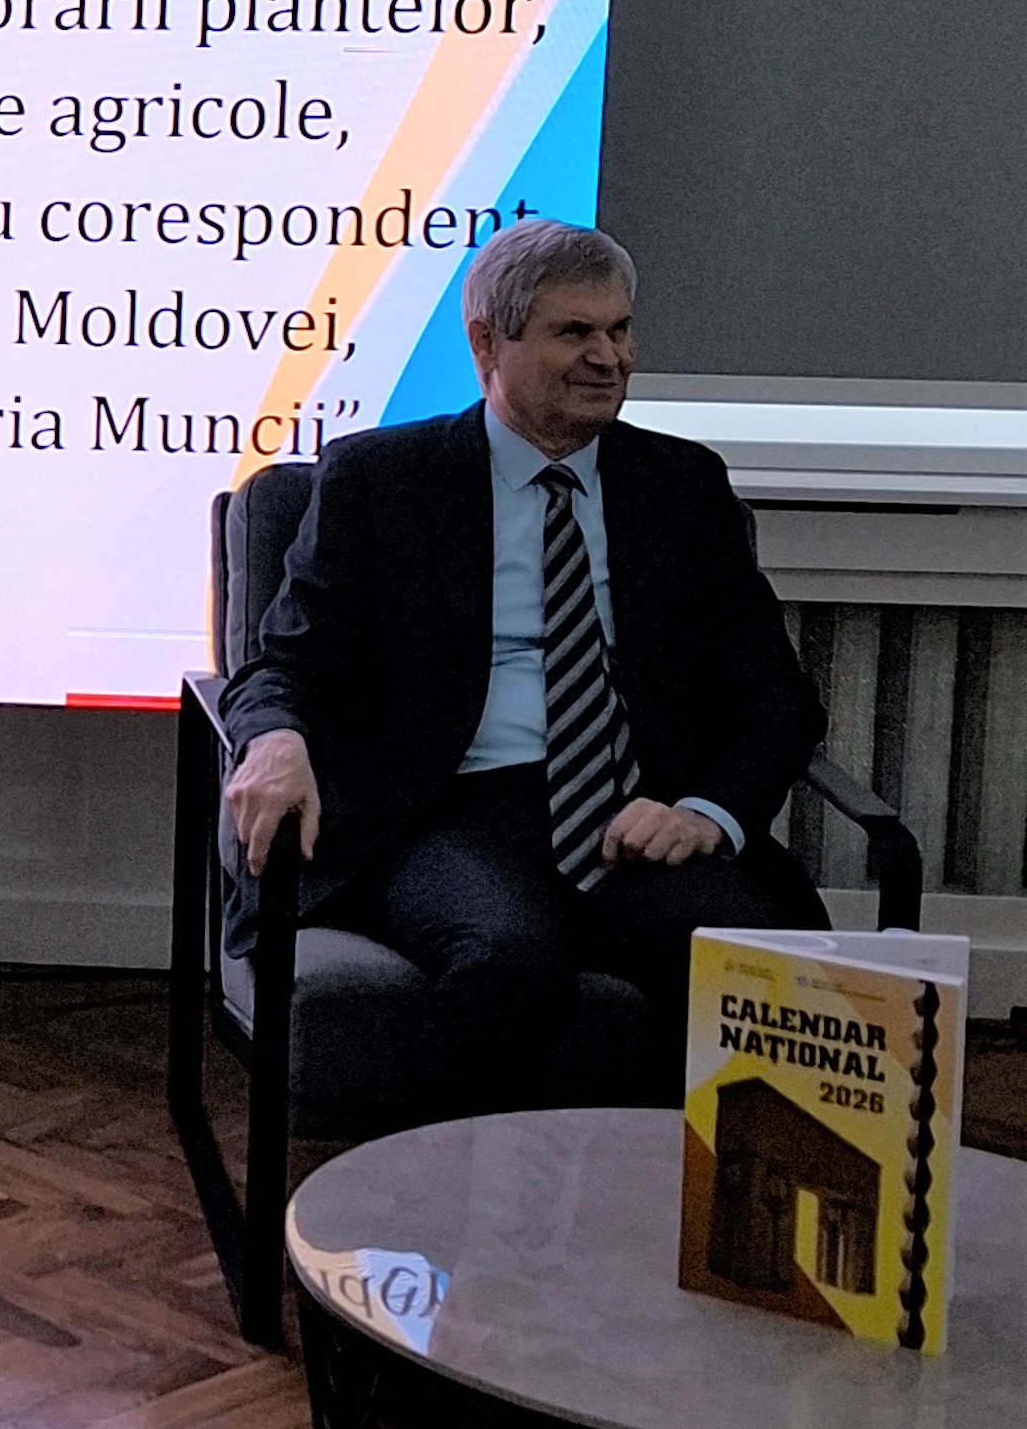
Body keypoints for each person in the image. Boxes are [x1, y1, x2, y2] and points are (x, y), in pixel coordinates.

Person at [219, 218, 826, 1109]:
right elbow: (285, 663)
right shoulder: (381, 481)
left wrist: (704, 812)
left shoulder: (679, 486)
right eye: (573, 332)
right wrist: (273, 739)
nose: (606, 358)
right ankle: (443, 1192)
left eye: (618, 330)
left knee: (748, 955)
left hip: (633, 817)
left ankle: (695, 1197)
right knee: (507, 958)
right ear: (484, 344)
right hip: (447, 814)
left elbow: (776, 697)